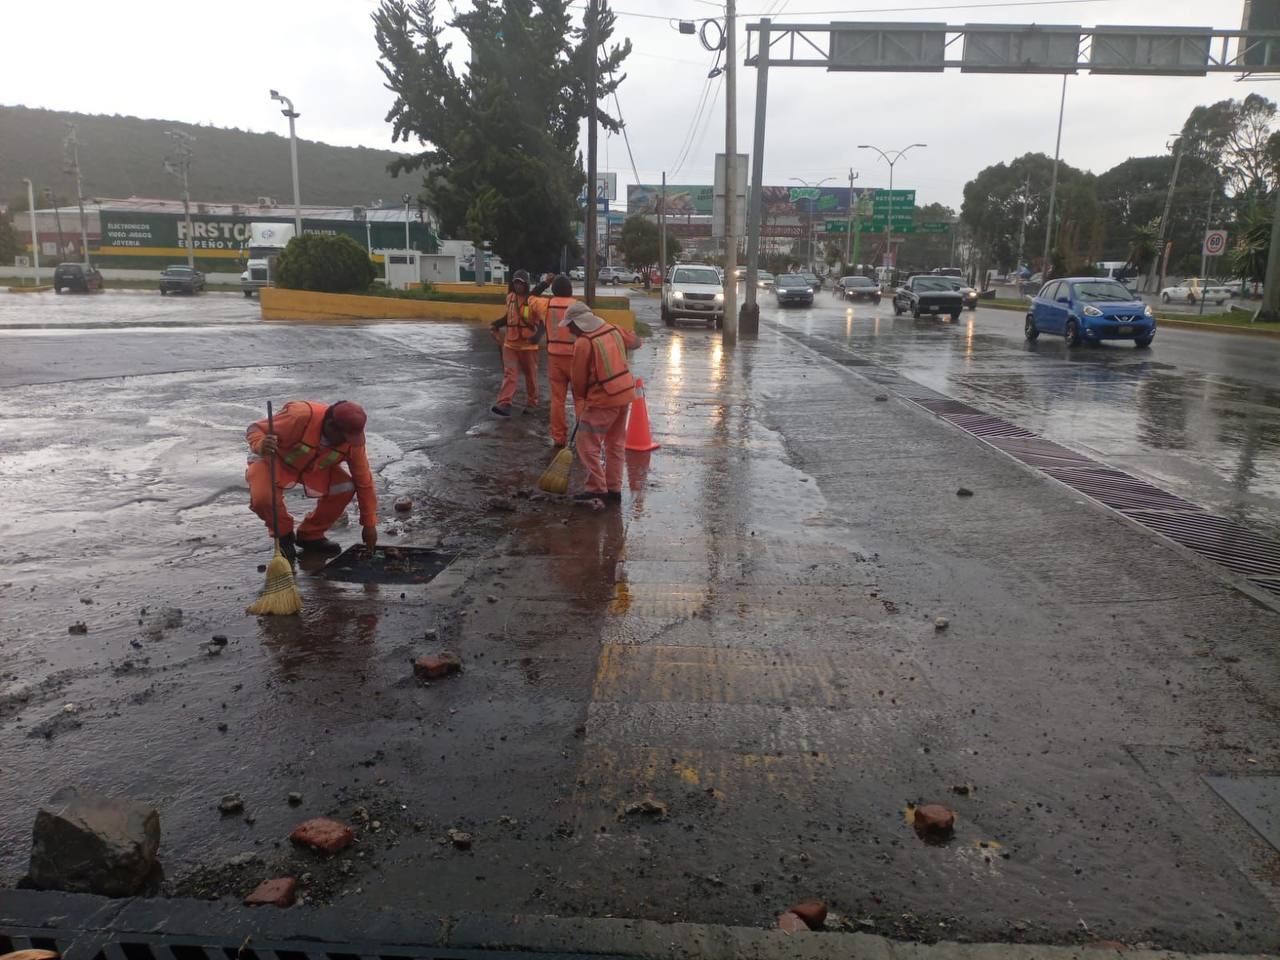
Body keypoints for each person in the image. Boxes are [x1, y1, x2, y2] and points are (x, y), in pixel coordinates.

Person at [245, 400, 377, 565]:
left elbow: (364, 481)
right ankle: (284, 536)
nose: (349, 442)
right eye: (345, 437)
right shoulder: (300, 416)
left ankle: (311, 536)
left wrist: (369, 524)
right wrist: (261, 443)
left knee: (345, 487)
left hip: (313, 468)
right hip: (273, 458)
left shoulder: (353, 442)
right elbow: (255, 429)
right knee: (263, 498)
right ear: (330, 426)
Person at [564, 301, 642, 503]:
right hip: (625, 393)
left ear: (579, 323)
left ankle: (597, 488)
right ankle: (614, 489)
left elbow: (578, 378)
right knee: (615, 443)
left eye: (570, 325)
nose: (569, 329)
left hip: (603, 399)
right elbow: (635, 341)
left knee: (587, 444)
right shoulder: (613, 329)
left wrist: (581, 402)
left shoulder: (584, 342)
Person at [490, 270, 551, 417]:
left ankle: (532, 403)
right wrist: (496, 324)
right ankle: (504, 403)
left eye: (521, 283)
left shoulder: (533, 300)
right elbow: (509, 317)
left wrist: (537, 336)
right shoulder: (510, 298)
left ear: (526, 284)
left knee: (530, 375)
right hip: (510, 344)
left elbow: (544, 320)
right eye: (516, 282)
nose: (518, 286)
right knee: (509, 374)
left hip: (528, 345)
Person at [543, 274, 579, 448]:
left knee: (558, 400)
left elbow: (530, 299)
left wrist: (544, 283)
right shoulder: (578, 307)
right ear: (570, 289)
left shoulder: (547, 304)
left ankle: (559, 437)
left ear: (554, 289)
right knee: (580, 399)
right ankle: (583, 436)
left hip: (554, 357)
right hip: (576, 358)